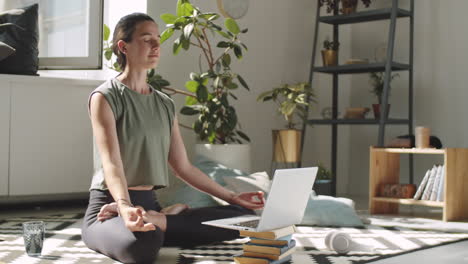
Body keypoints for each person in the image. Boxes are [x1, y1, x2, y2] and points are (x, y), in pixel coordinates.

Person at [81, 12, 265, 264]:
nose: (157, 45)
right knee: (143, 245)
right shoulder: (105, 97)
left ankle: (161, 219)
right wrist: (124, 206)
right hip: (109, 211)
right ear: (123, 47)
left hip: (150, 208)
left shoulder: (165, 104)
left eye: (158, 39)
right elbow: (112, 163)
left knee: (247, 217)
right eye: (147, 39)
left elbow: (183, 167)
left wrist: (232, 196)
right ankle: (164, 221)